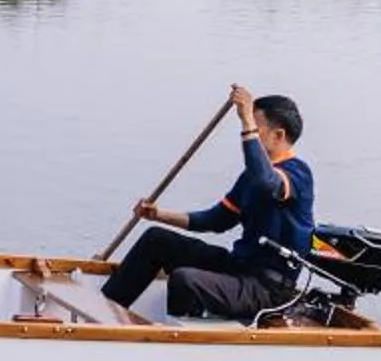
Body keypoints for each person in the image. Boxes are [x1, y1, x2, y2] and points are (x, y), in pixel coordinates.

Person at [101, 85, 314, 322]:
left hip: (267, 290)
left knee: (185, 279)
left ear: (278, 135)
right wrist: (158, 214)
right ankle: (102, 315)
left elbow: (267, 183)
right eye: (248, 125)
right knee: (157, 239)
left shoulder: (298, 174)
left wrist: (245, 120)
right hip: (238, 268)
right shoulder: (250, 177)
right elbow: (216, 220)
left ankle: (175, 340)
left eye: (256, 126)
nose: (249, 131)